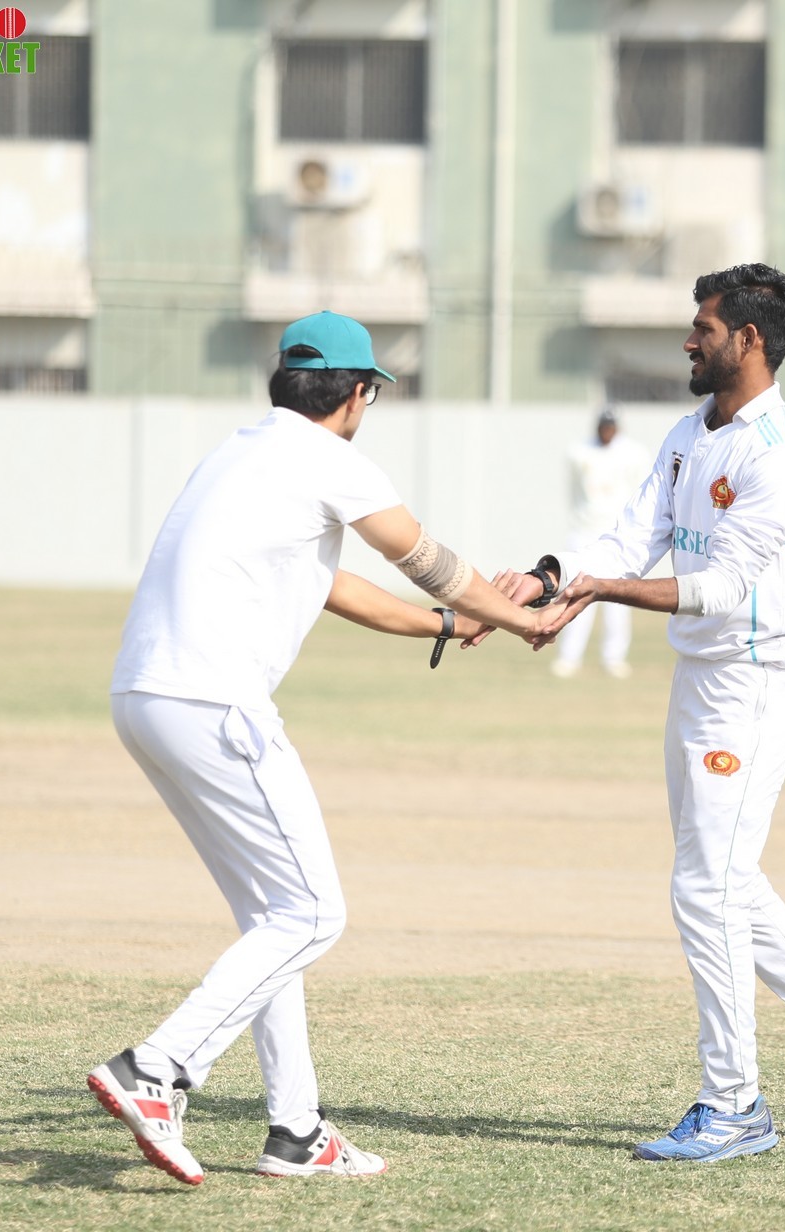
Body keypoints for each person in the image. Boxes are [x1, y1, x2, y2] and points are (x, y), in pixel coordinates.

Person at [88, 311, 562, 1185]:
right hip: (213, 701)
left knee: (274, 918)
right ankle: (156, 1067)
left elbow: (330, 582)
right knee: (312, 915)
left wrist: (448, 626)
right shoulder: (329, 458)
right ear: (357, 394)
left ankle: (296, 1130)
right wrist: (520, 617)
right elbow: (425, 558)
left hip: (145, 697)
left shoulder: (239, 452)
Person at [510, 264, 785, 1162]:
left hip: (753, 684)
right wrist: (550, 577)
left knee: (704, 887)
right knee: (724, 878)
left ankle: (735, 1106)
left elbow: (721, 587)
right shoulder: (690, 434)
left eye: (705, 327)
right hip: (697, 681)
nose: (690, 341)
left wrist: (599, 593)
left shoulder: (781, 457)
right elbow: (628, 537)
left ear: (749, 340)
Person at [551, 406, 651, 679]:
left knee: (619, 598)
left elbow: (639, 492)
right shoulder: (579, 452)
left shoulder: (634, 453)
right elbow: (573, 491)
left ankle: (614, 657)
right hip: (585, 532)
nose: (607, 432)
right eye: (603, 427)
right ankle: (569, 657)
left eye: (611, 427)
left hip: (618, 533)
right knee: (576, 593)